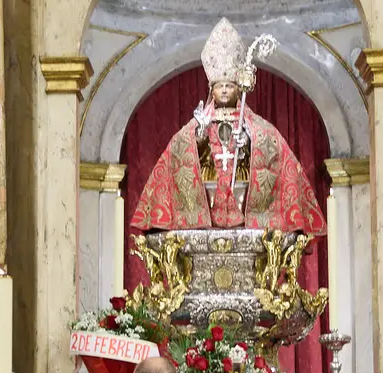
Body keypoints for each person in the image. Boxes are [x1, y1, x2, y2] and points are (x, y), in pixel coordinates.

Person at [130, 18, 327, 235]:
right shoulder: (199, 121)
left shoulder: (255, 124)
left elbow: (273, 146)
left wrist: (251, 140)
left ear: (238, 89)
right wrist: (199, 134)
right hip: (208, 195)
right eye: (220, 86)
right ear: (211, 89)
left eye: (229, 86)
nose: (224, 91)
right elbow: (177, 150)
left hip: (243, 196)